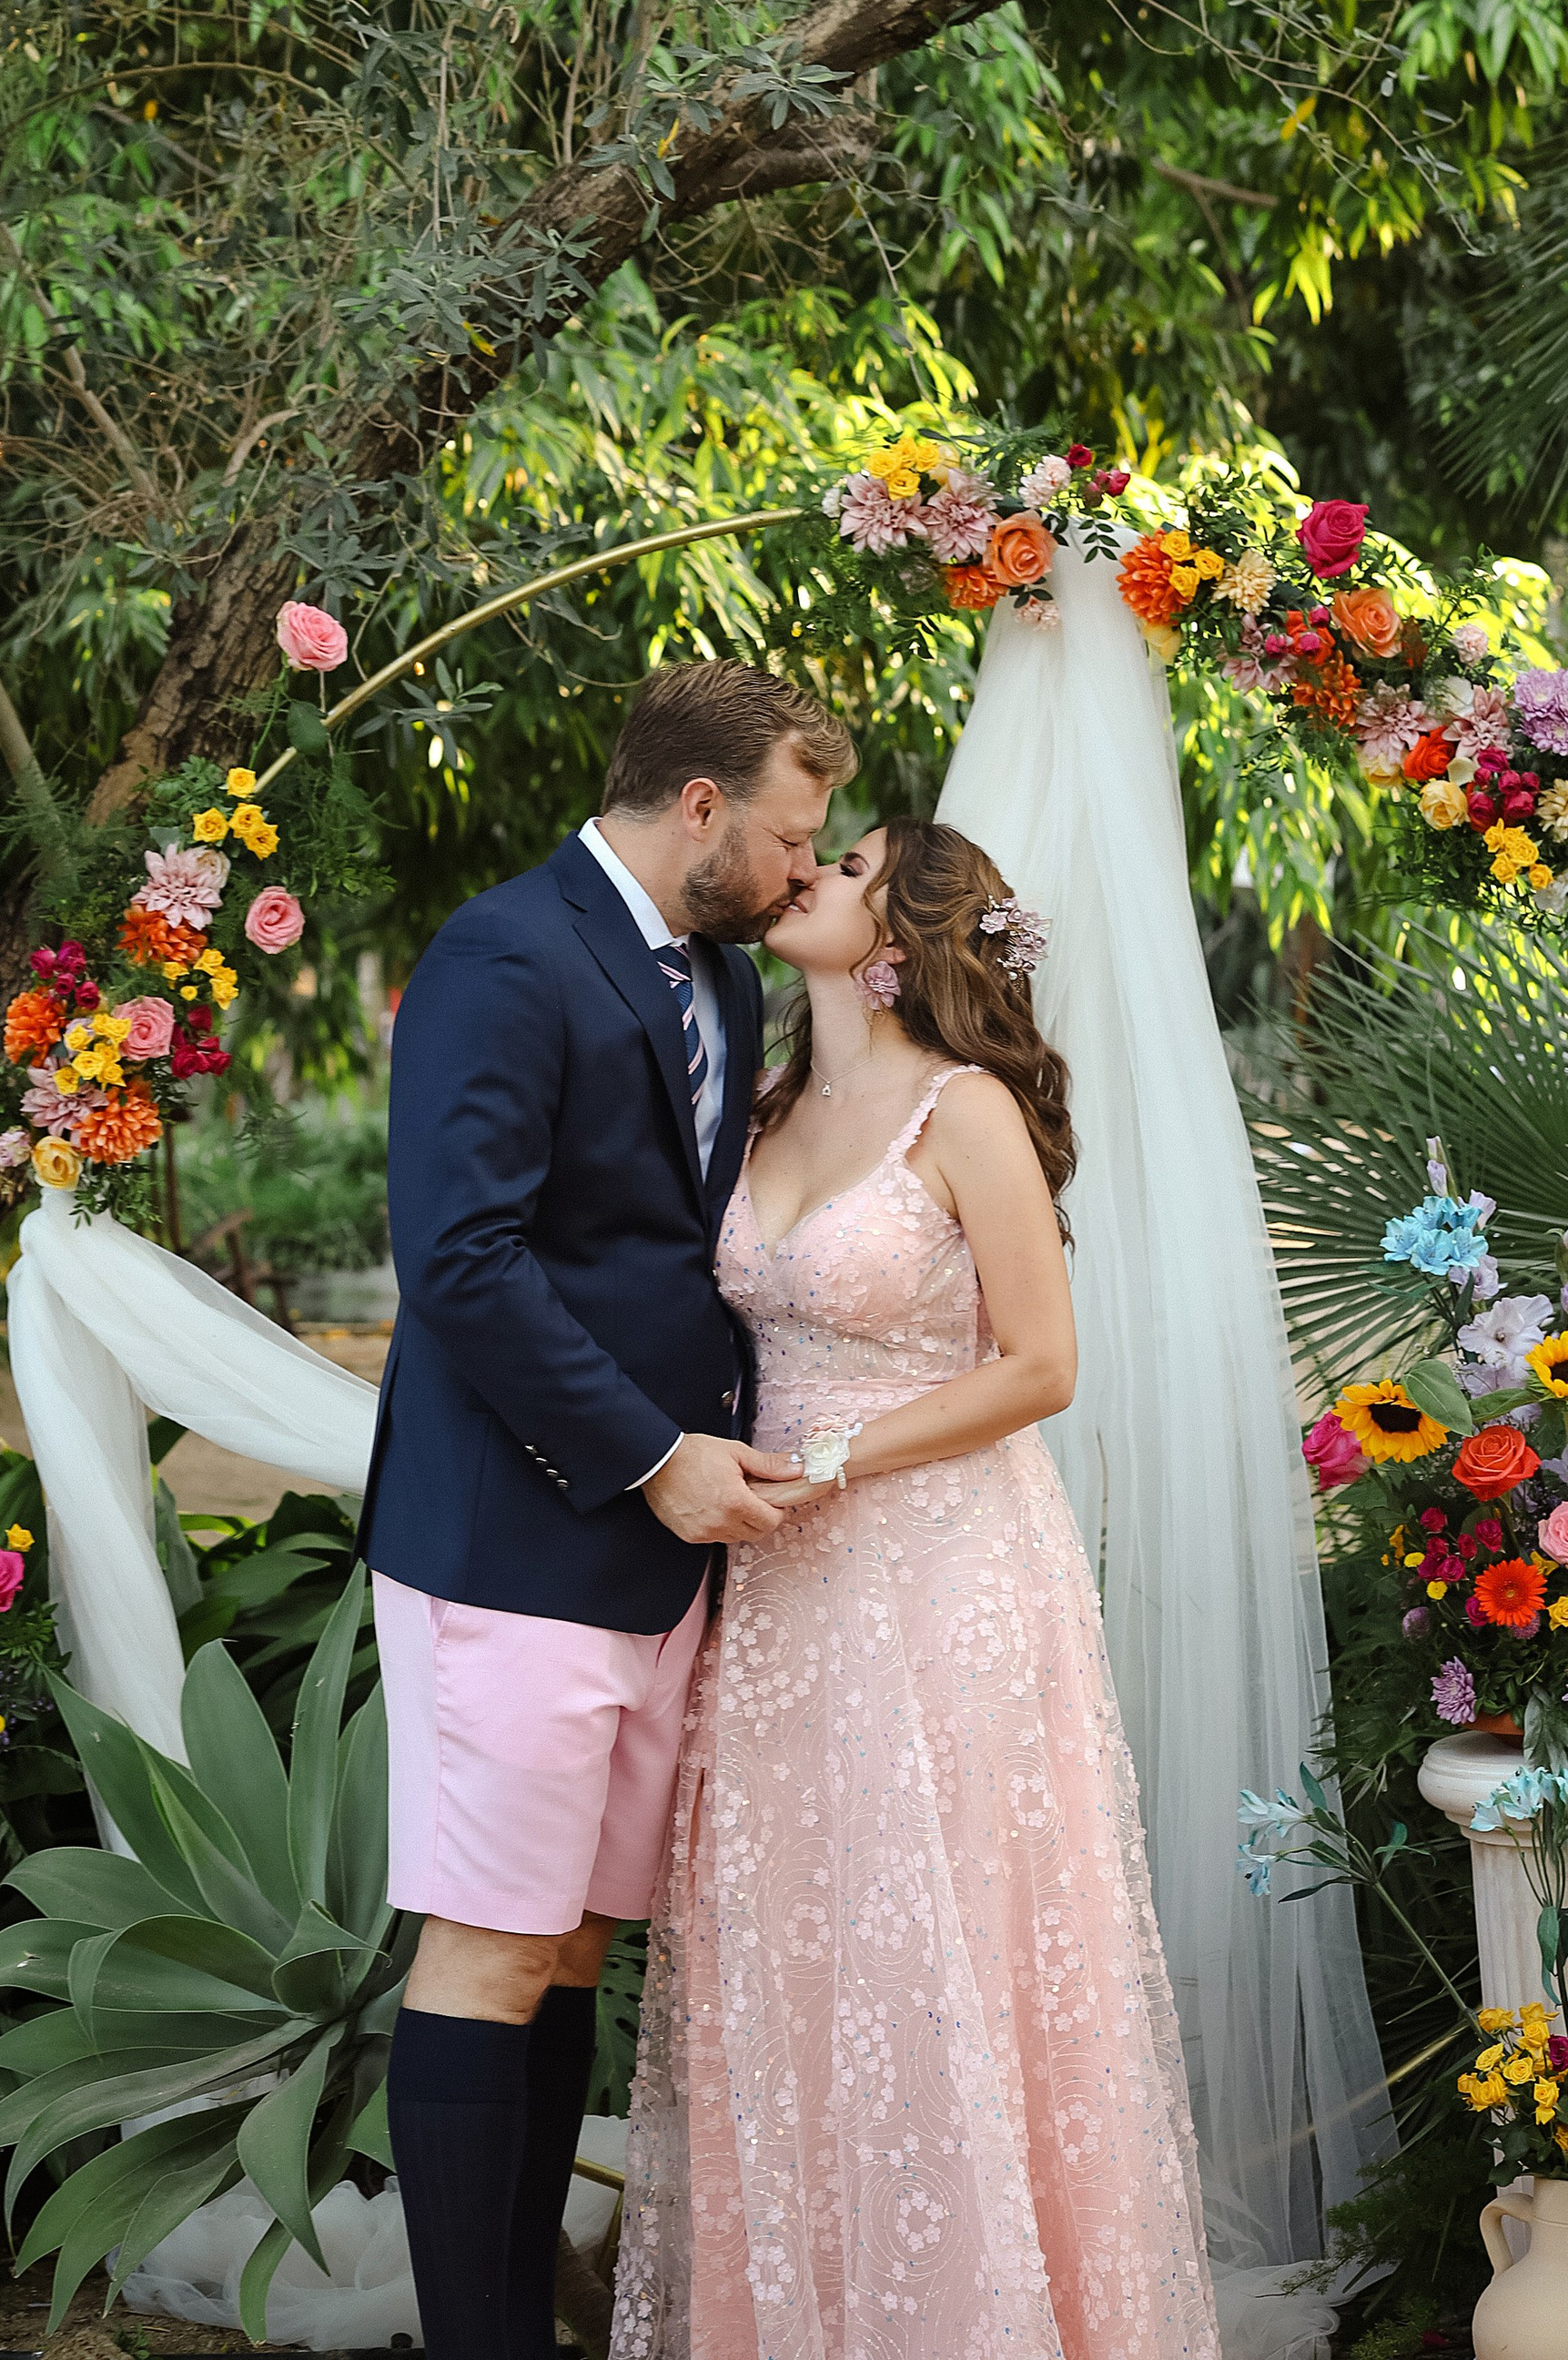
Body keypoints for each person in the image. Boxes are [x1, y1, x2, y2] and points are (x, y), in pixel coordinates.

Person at [612, 815, 1223, 2359]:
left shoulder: (966, 1116)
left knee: (947, 1952)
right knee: (801, 1950)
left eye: (857, 861)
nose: (811, 867)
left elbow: (1042, 1365)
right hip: (786, 1603)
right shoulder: (755, 1107)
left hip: (949, 1576)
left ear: (904, 935)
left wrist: (844, 1457)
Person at [364, 657, 857, 2360]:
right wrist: (657, 1455)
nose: (809, 872)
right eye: (793, 838)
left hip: (661, 1558)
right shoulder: (504, 951)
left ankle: (522, 2322)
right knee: (491, 1953)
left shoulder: (718, 975)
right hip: (512, 1539)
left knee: (572, 1950)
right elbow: (460, 1260)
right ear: (703, 806)